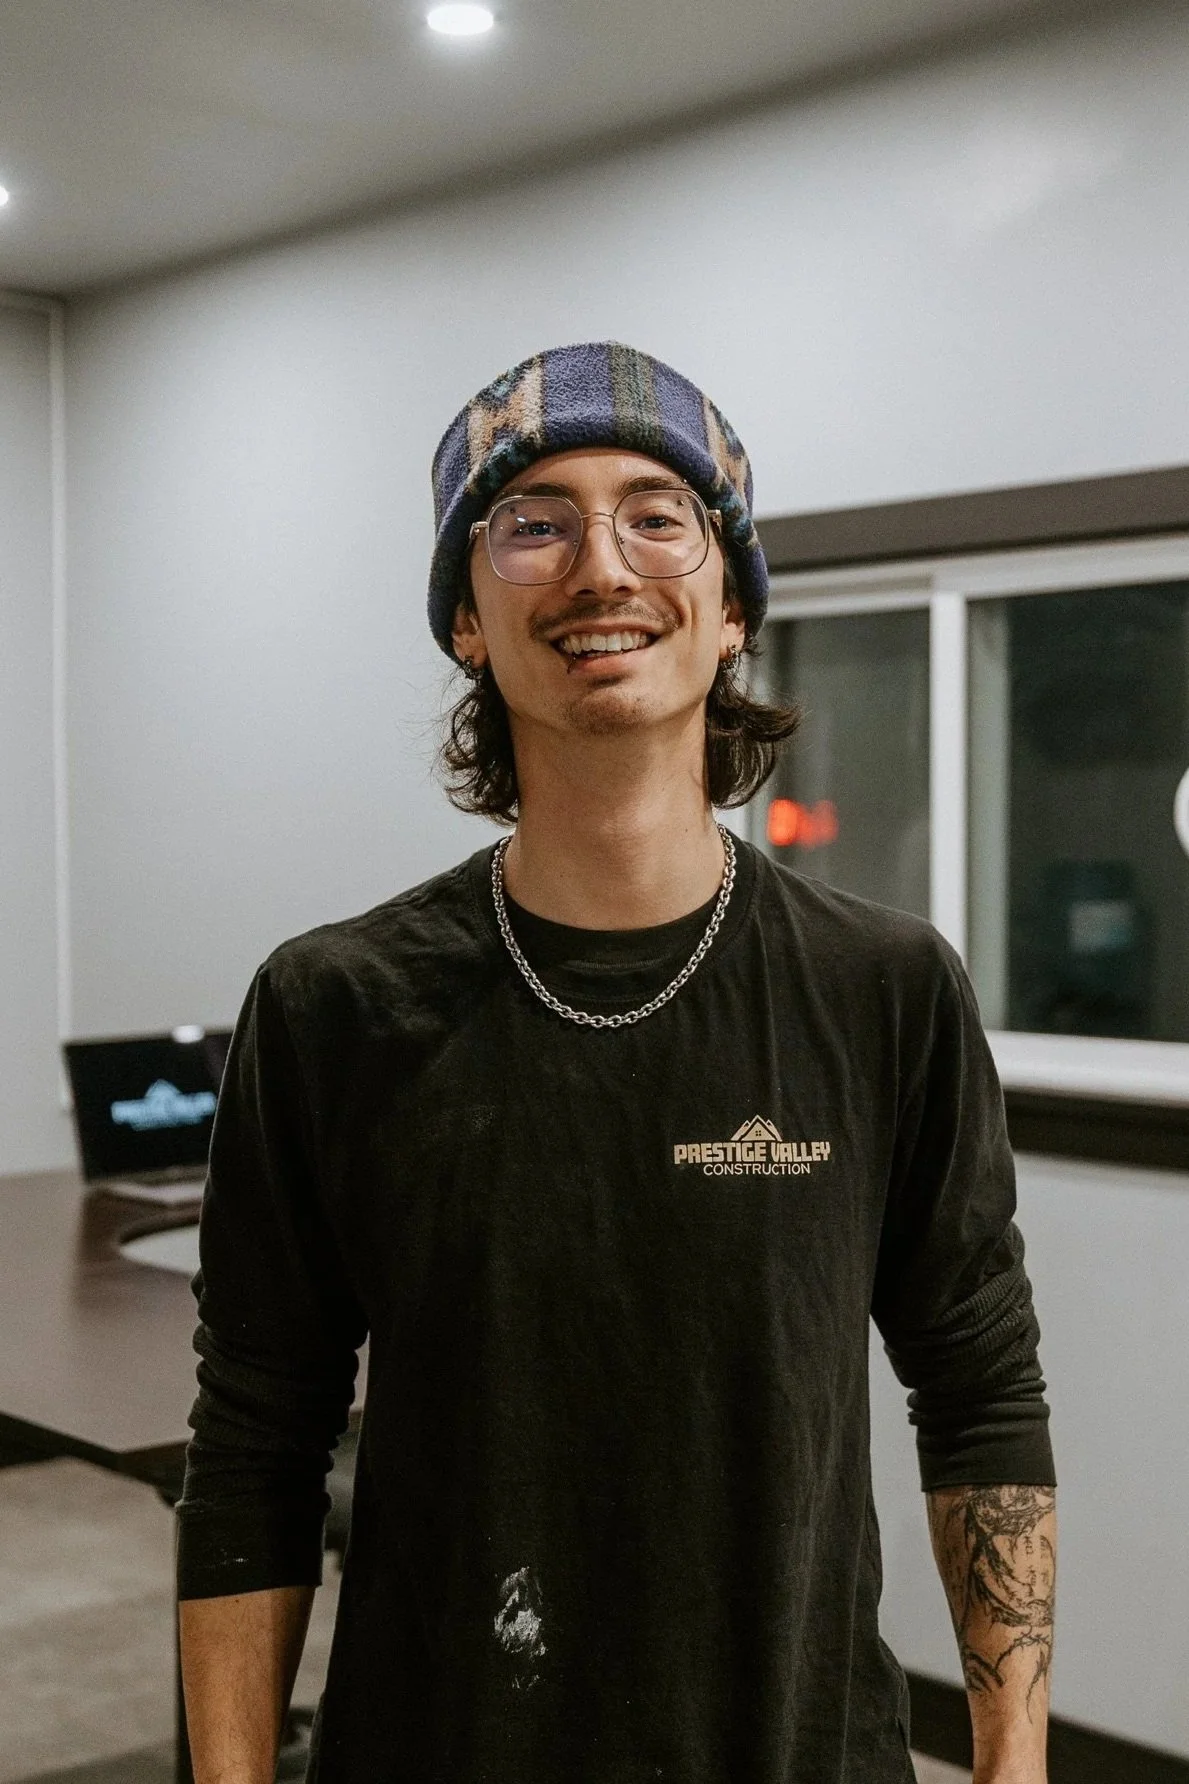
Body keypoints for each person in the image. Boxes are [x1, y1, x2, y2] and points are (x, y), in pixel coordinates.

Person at [177, 341, 1057, 1784]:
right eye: (533, 522)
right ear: (467, 618)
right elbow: (254, 1440)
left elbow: (981, 1388)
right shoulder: (334, 1006)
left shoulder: (883, 990)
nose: (601, 565)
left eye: (660, 515)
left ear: (729, 612)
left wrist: (1014, 1766)